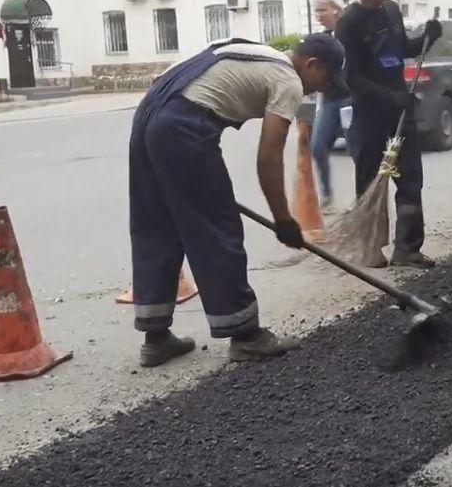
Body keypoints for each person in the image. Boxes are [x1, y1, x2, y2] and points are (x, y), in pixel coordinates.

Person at [129, 33, 347, 367]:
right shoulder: (287, 79)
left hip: (148, 115)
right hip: (183, 125)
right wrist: (283, 219)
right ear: (312, 64)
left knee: (158, 227)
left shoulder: (255, 52)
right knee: (217, 228)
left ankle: (156, 338)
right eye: (326, 80)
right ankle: (245, 336)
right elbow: (269, 158)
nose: (320, 90)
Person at [335, 0, 442, 269]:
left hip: (401, 110)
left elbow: (402, 48)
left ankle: (407, 248)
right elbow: (350, 76)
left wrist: (426, 38)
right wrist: (388, 97)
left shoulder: (392, 11)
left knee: (410, 179)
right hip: (369, 114)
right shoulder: (348, 22)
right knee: (370, 181)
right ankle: (370, 249)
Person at [310, 0, 350, 211]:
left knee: (357, 149)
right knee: (317, 146)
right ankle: (327, 196)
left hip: (351, 99)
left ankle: (364, 196)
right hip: (329, 100)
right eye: (316, 11)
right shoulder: (323, 38)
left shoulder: (348, 32)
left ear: (335, 9)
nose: (318, 16)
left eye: (322, 10)